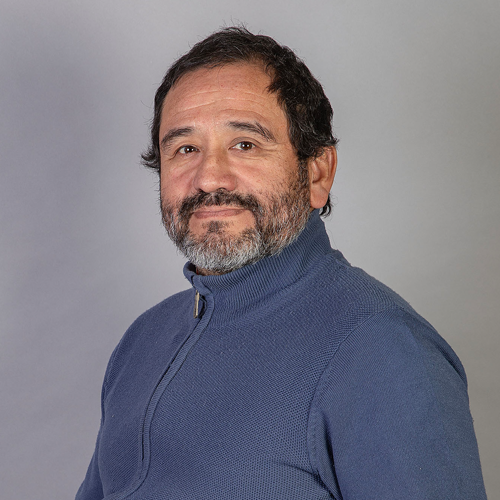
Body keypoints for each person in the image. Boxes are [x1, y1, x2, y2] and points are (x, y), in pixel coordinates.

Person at [76, 27, 487, 500]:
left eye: (245, 144)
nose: (209, 177)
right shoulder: (142, 341)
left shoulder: (386, 352)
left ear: (317, 172)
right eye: (185, 148)